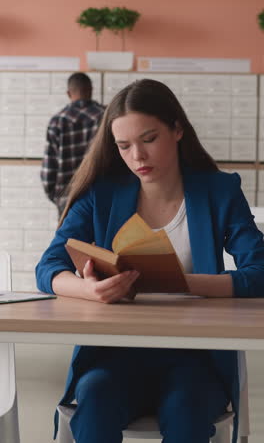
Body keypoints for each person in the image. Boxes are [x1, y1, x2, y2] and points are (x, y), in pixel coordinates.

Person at [36, 79, 264, 443]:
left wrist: (181, 283)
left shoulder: (219, 191)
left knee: (186, 411)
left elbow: (260, 272)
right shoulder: (102, 194)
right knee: (94, 403)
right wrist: (90, 290)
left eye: (149, 139)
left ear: (177, 129)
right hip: (115, 353)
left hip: (196, 357)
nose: (137, 157)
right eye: (124, 146)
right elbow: (47, 267)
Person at [40, 72, 105, 216]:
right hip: (102, 199)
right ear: (91, 90)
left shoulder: (57, 121)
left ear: (69, 93)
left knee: (69, 239)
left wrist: (59, 198)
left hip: (68, 201)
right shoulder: (105, 117)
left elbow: (48, 170)